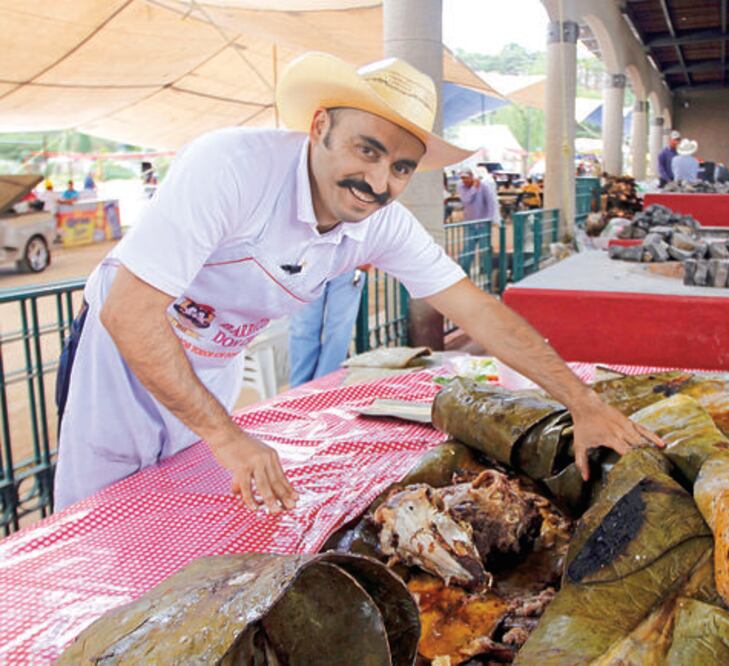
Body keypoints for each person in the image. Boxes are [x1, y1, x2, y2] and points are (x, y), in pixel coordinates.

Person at [53, 53, 660, 512]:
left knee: (181, 508)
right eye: (366, 150)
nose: (379, 181)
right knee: (99, 517)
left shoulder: (381, 224)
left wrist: (583, 403)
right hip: (122, 355)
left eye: (401, 167)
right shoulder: (230, 167)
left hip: (212, 361)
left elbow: (478, 311)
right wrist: (228, 435)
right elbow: (131, 313)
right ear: (319, 127)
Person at [289, 268, 366, 386]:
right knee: (302, 329)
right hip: (307, 260)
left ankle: (323, 389)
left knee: (339, 330)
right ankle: (298, 392)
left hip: (349, 262)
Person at [455, 168, 499, 274]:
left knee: (485, 249)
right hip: (469, 223)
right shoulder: (461, 186)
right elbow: (466, 199)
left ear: (472, 177)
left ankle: (487, 272)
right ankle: (464, 273)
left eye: (466, 178)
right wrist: (474, 187)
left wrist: (488, 219)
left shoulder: (484, 187)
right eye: (462, 178)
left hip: (483, 224)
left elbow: (490, 204)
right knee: (468, 250)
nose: (464, 180)